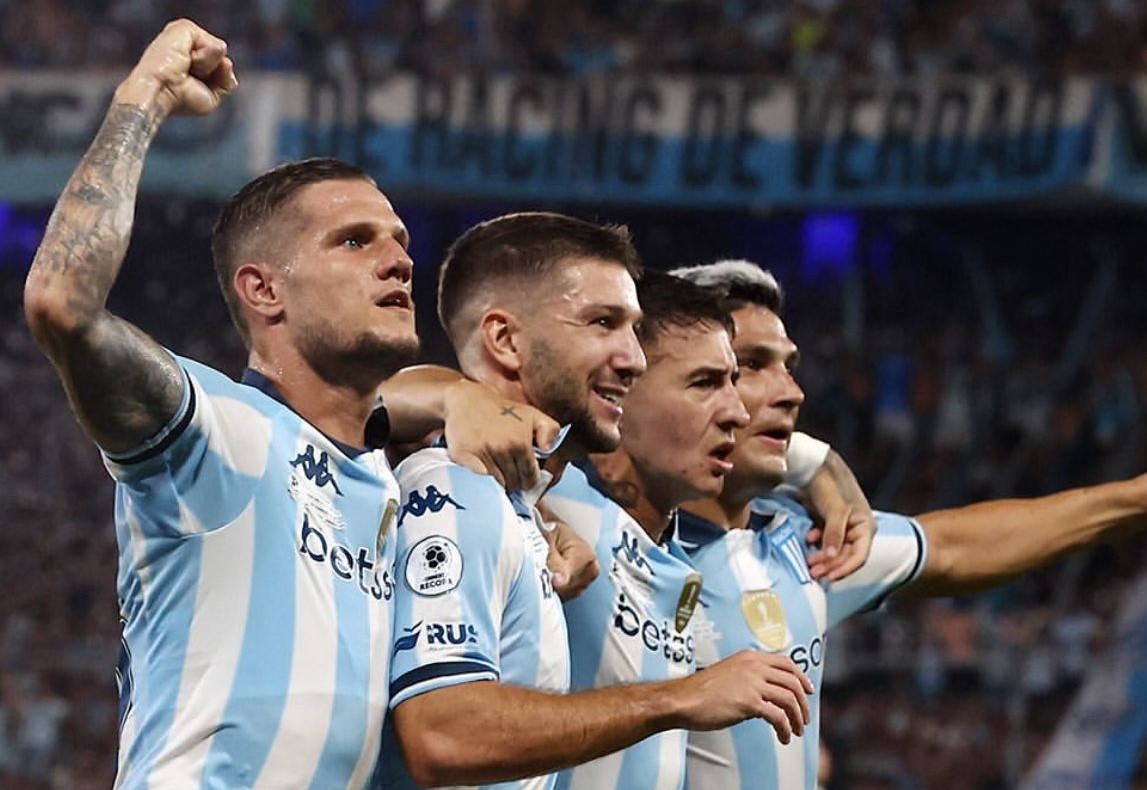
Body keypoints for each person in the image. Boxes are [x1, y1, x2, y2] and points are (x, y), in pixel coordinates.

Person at [22, 20, 567, 788]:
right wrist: (140, 99)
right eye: (353, 242)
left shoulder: (388, 482)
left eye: (398, 239)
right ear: (263, 289)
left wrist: (463, 405)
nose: (397, 259)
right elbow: (62, 306)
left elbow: (387, 416)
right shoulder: (216, 430)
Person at [671, 259, 1147, 790]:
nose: (793, 392)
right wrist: (814, 460)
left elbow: (952, 547)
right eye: (752, 365)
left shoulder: (811, 547)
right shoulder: (592, 536)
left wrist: (1136, 498)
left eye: (789, 366)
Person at [378, 214, 814, 790]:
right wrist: (680, 699)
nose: (634, 357)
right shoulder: (456, 490)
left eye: (632, 329)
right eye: (603, 322)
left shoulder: (529, 515)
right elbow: (443, 736)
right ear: (505, 339)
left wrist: (819, 464)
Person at [540, 270, 813, 790]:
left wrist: (820, 465)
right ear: (616, 393)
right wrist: (457, 401)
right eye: (706, 383)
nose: (736, 411)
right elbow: (403, 406)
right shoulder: (558, 499)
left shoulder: (678, 553)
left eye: (733, 381)